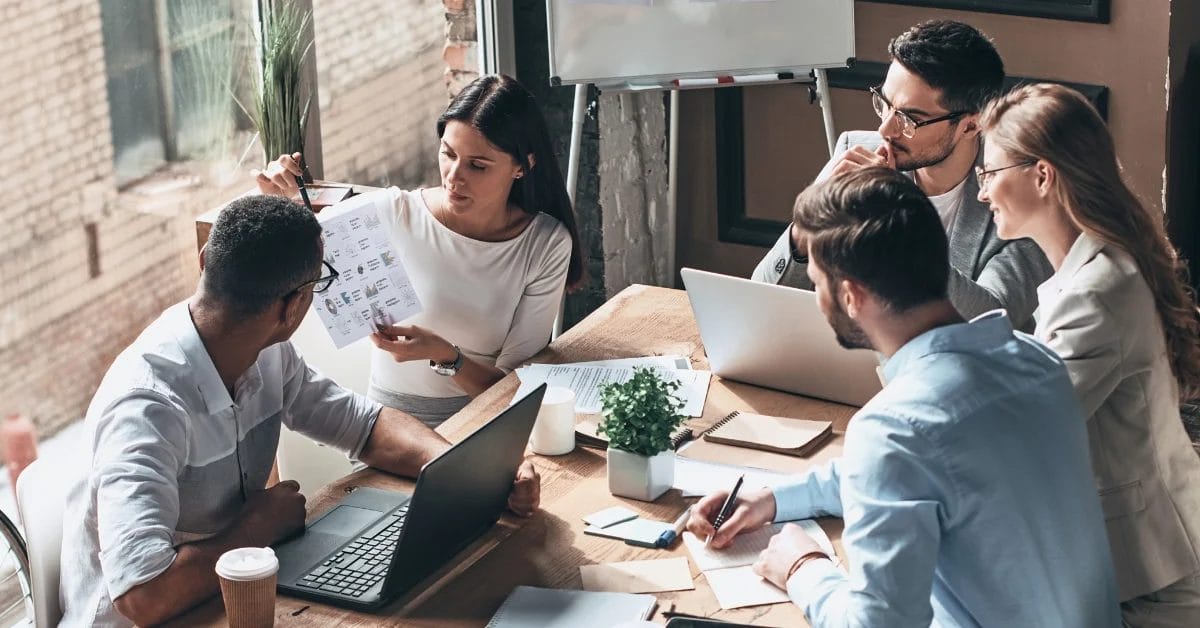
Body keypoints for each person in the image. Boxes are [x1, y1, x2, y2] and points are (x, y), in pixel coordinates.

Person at [58, 195, 542, 627]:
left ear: (205, 261)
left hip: (233, 600)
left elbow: (367, 426)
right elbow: (142, 597)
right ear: (291, 308)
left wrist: (471, 476)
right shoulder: (148, 407)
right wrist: (255, 530)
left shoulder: (266, 352)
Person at [692, 168, 1119, 627]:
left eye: (817, 281)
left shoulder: (893, 430)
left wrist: (803, 568)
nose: (817, 297)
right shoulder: (1039, 364)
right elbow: (918, 468)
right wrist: (775, 497)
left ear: (851, 296)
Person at [978, 83, 1200, 626]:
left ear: (1042, 175)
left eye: (989, 173)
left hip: (1150, 582)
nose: (982, 192)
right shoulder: (1090, 271)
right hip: (1128, 558)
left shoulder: (1097, 292)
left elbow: (1021, 428)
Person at [256, 74, 584, 427]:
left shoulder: (545, 244)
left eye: (478, 165)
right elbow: (286, 237)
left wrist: (446, 356)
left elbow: (515, 390)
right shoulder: (395, 213)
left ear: (523, 166)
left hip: (486, 421)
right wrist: (272, 196)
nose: (454, 176)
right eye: (448, 153)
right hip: (387, 424)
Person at [751, 20, 1050, 330]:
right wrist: (807, 227)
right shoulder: (853, 151)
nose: (885, 129)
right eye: (884, 103)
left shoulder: (1022, 190)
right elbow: (764, 294)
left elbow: (994, 318)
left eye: (909, 118)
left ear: (971, 125)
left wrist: (893, 226)